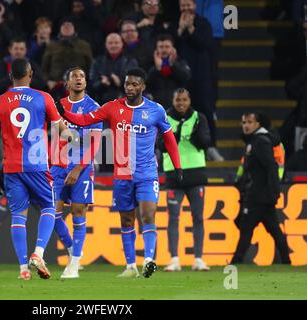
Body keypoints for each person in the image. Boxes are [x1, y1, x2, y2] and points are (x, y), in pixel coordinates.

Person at [56, 68, 182, 278]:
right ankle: (131, 266)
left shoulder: (156, 110)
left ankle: (149, 260)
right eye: (127, 84)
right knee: (126, 220)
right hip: (122, 174)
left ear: (143, 86)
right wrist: (64, 113)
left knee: (148, 214)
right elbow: (85, 120)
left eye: (134, 84)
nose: (129, 88)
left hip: (147, 174)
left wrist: (177, 166)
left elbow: (169, 138)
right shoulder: (112, 107)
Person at [0, 58, 71, 280]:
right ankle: (39, 252)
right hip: (37, 165)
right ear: (31, 73)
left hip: (12, 167)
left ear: (10, 76)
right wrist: (71, 134)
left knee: (18, 215)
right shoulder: (43, 98)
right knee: (49, 207)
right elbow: (63, 131)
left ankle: (23, 269)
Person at [50, 67, 102, 278]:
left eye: (82, 76)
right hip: (58, 166)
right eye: (74, 77)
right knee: (51, 213)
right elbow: (53, 135)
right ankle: (73, 251)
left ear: (85, 82)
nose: (79, 79)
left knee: (79, 212)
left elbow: (95, 143)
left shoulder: (93, 107)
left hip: (82, 166)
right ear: (68, 83)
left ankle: (74, 264)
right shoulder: (58, 106)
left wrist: (79, 168)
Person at [160, 88, 210, 272]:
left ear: (190, 100)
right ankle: (174, 259)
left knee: (198, 217)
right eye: (178, 100)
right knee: (173, 217)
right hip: (174, 174)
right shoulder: (164, 118)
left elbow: (206, 142)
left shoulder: (199, 118)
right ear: (173, 100)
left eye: (184, 100)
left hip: (196, 174)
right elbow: (160, 146)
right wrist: (175, 136)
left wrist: (195, 135)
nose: (181, 103)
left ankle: (198, 259)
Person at [231, 113, 291, 265]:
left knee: (246, 230)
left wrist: (274, 191)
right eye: (243, 122)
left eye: (250, 122)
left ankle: (235, 263)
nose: (246, 125)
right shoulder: (256, 141)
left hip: (257, 196)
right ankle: (287, 261)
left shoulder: (260, 142)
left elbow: (271, 166)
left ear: (258, 124)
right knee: (274, 231)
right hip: (262, 196)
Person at [176, 0, 224, 162]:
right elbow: (173, 46)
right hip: (182, 77)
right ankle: (183, 149)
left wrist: (190, 29)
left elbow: (204, 44)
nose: (186, 9)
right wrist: (180, 30)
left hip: (202, 76)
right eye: (183, 6)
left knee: (206, 111)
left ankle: (211, 147)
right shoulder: (175, 23)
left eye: (189, 5)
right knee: (182, 113)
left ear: (195, 6)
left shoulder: (204, 24)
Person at [41, 16, 93, 99]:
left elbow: (90, 68)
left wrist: (85, 83)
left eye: (69, 26)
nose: (67, 28)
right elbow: (44, 68)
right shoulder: (52, 46)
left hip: (79, 87)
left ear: (74, 28)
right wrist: (48, 81)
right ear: (60, 28)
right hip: (55, 88)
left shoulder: (84, 45)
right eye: (64, 26)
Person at [89, 32, 138, 105]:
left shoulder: (130, 61)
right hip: (101, 103)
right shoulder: (97, 62)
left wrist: (121, 83)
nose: (113, 45)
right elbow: (92, 84)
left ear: (122, 44)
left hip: (125, 103)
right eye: (110, 43)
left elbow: (135, 85)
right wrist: (102, 84)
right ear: (106, 45)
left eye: (116, 43)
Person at [146, 34, 191, 108]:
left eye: (167, 47)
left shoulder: (181, 63)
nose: (164, 50)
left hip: (177, 106)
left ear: (172, 49)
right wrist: (158, 68)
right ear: (156, 49)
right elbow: (146, 84)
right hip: (157, 107)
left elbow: (186, 78)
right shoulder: (150, 64)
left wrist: (172, 65)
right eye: (161, 47)